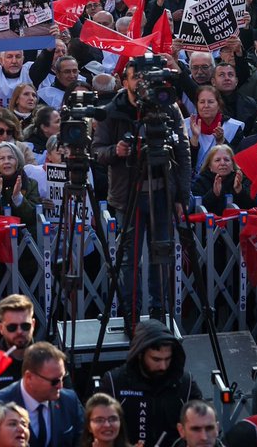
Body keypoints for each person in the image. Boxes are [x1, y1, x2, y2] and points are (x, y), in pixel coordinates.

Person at [91, 55, 192, 323]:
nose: (141, 83)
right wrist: (117, 151)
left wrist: (183, 196)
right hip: (129, 197)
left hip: (162, 194)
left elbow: (182, 152)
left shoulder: (167, 107)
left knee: (162, 255)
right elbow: (97, 151)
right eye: (136, 77)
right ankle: (131, 318)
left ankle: (159, 316)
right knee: (128, 260)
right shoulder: (112, 110)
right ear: (125, 81)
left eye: (145, 77)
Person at [96, 320, 204, 447]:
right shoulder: (114, 382)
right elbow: (95, 430)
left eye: (167, 359)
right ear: (140, 354)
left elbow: (204, 426)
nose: (163, 366)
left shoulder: (186, 383)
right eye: (156, 359)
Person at [0, 342, 84, 447]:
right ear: (29, 377)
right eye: (54, 381)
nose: (60, 386)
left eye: (62, 378)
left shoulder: (69, 401)